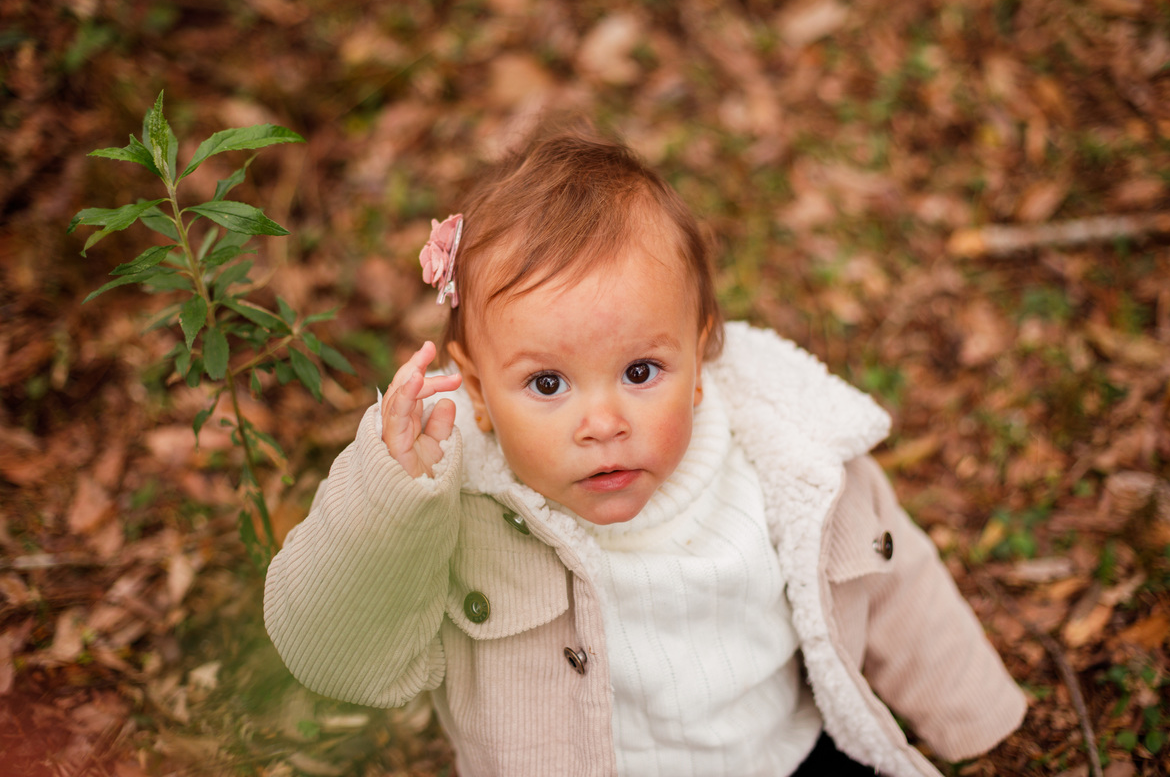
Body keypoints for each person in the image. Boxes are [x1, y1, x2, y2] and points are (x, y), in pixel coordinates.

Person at [264, 126, 1026, 777]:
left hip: (783, 756)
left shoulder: (789, 457)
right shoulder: (458, 504)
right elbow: (332, 653)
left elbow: (896, 581)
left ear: (699, 360)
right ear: (478, 392)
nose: (603, 423)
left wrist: (977, 716)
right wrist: (389, 502)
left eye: (639, 372)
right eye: (548, 383)